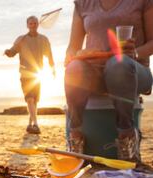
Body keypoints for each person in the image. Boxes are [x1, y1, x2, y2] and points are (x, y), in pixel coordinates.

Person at [64, 0, 153, 161]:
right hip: (95, 72)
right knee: (74, 69)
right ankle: (75, 137)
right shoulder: (83, 3)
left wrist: (136, 53)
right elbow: (72, 47)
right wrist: (78, 55)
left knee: (118, 64)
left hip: (133, 69)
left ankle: (126, 138)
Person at [5, 15, 55, 134]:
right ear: (27, 25)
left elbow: (49, 55)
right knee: (30, 99)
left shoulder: (43, 39)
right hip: (25, 74)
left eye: (35, 23)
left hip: (38, 73)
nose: (33, 25)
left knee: (34, 101)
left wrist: (53, 68)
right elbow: (12, 52)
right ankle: (36, 125)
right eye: (31, 23)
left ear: (38, 24)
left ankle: (30, 124)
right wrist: (8, 52)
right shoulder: (21, 39)